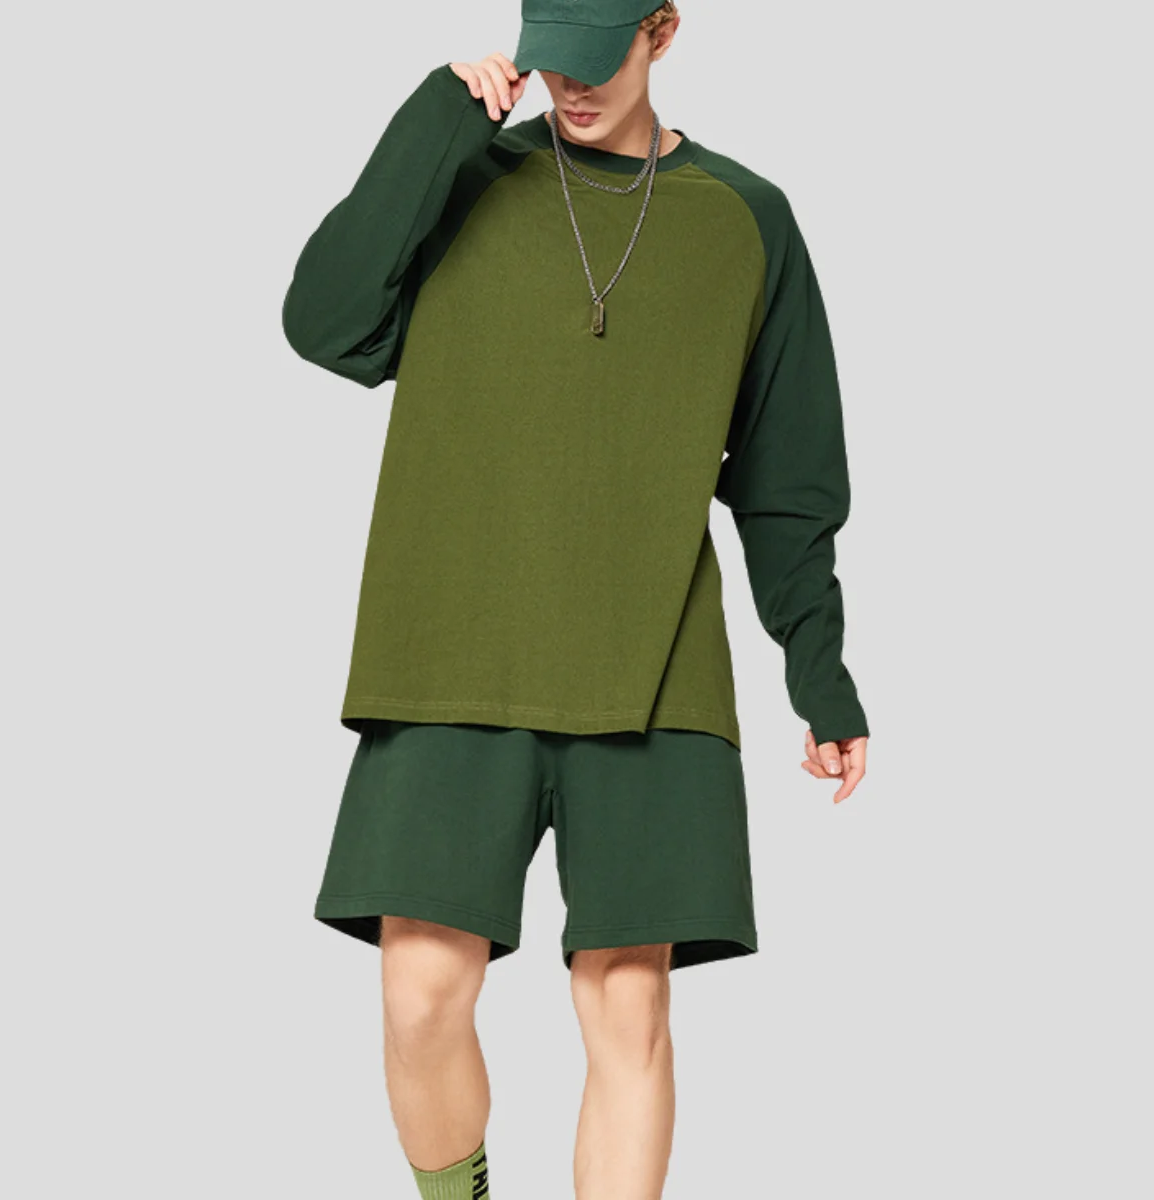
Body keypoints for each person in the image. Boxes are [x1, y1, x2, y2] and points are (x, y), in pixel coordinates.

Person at [281, 2, 870, 1196]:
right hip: (449, 649)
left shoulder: (745, 218)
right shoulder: (461, 175)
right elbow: (325, 325)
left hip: (653, 667)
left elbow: (787, 479)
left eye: (598, 60)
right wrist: (430, 127)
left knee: (628, 1004)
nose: (572, 85)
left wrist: (821, 673)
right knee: (419, 994)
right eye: (551, 59)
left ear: (663, 31)